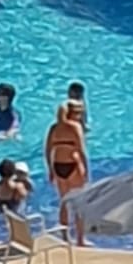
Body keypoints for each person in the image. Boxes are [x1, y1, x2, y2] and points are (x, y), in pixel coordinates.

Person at [44, 104, 89, 245]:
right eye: (78, 113)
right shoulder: (75, 127)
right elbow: (81, 150)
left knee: (64, 202)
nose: (80, 116)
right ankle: (80, 239)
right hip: (74, 165)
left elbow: (47, 150)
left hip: (58, 166)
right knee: (79, 203)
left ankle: (65, 237)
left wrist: (50, 169)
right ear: (73, 113)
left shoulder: (53, 128)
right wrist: (86, 170)